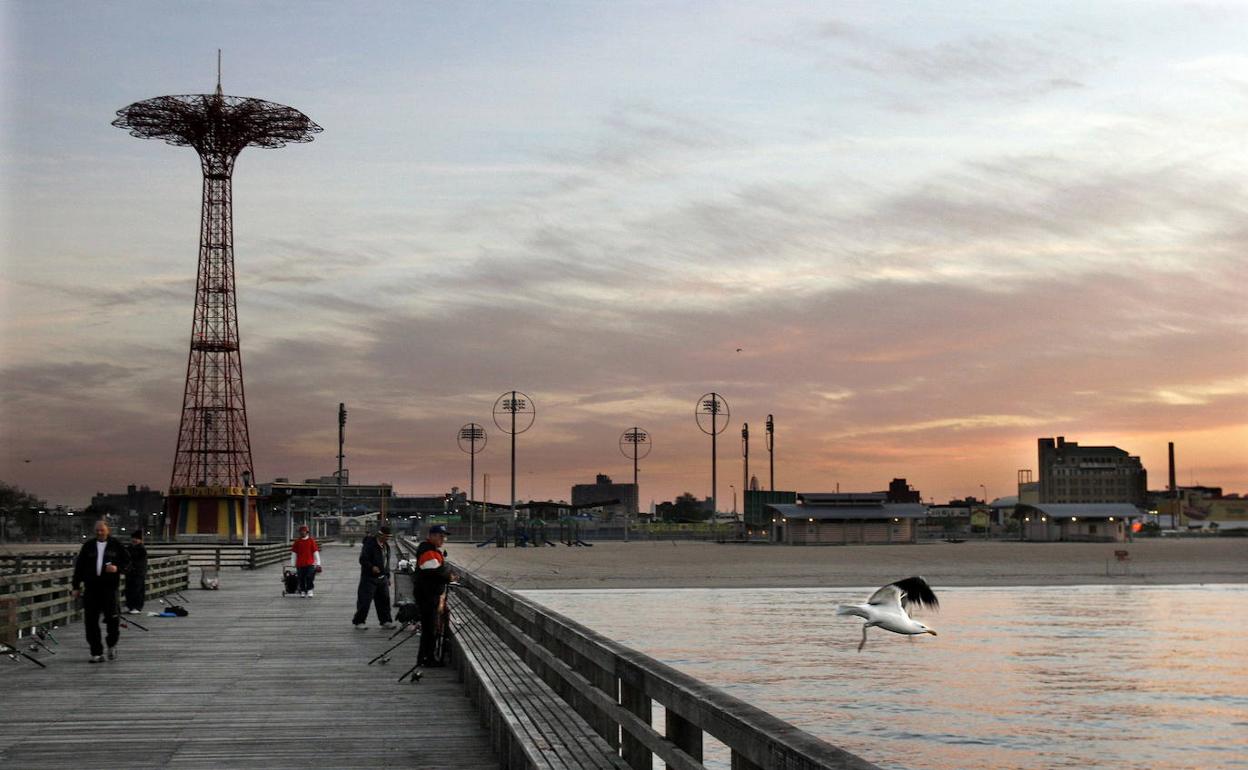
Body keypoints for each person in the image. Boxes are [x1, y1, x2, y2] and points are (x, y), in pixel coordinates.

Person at [71, 520, 131, 663]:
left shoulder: (116, 545)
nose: (99, 532)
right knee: (90, 622)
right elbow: (79, 567)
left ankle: (111, 644)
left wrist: (117, 568)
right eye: (97, 530)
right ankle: (96, 652)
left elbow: (128, 563)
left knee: (113, 619)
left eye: (102, 530)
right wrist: (75, 586)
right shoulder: (88, 546)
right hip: (91, 588)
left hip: (109, 588)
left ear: (107, 530)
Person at [415, 524, 454, 667]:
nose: (443, 539)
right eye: (440, 536)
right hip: (428, 596)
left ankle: (426, 657)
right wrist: (449, 576)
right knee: (429, 629)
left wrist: (446, 573)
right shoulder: (428, 551)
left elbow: (438, 571)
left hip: (429, 595)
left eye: (444, 536)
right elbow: (436, 572)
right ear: (431, 536)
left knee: (430, 628)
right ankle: (427, 659)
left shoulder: (430, 550)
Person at [352, 525, 394, 629]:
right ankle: (359, 621)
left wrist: (387, 576)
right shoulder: (370, 544)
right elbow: (363, 559)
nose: (388, 538)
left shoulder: (386, 546)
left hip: (382, 578)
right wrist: (371, 567)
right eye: (386, 536)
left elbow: (386, 563)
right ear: (380, 535)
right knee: (365, 601)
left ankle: (385, 621)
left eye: (389, 536)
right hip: (369, 578)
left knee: (384, 601)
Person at [290, 525, 322, 597]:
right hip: (300, 564)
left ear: (307, 532)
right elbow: (294, 553)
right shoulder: (297, 542)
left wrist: (318, 563)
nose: (302, 533)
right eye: (301, 531)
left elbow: (315, 552)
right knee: (301, 578)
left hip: (310, 563)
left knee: (309, 576)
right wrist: (293, 563)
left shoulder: (311, 541)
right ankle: (303, 590)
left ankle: (310, 589)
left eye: (303, 531)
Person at [124, 531, 147, 614]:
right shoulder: (128, 548)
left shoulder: (142, 549)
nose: (135, 540)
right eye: (134, 538)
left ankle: (137, 607)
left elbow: (139, 561)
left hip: (138, 573)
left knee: (137, 590)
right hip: (129, 573)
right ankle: (130, 606)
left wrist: (132, 565)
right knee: (128, 589)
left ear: (140, 540)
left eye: (137, 539)